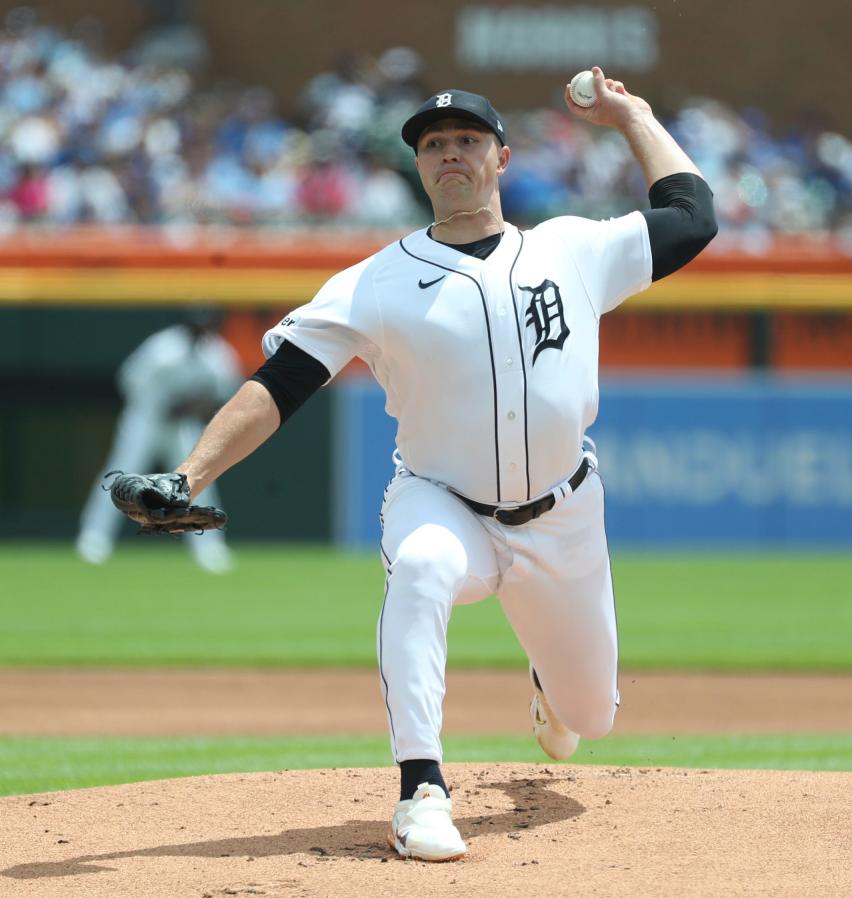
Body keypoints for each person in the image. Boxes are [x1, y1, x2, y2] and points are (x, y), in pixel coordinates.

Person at [139, 67, 716, 860]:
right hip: (442, 501)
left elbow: (692, 216)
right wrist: (187, 476)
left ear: (501, 158)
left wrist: (634, 117)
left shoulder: (572, 249)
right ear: (417, 166)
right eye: (434, 144)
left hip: (564, 513)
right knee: (420, 566)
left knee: (592, 718)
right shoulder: (374, 283)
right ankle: (421, 791)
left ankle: (553, 682)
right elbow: (279, 386)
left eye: (468, 140)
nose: (450, 153)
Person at [77, 309, 241, 573]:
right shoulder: (164, 346)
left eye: (207, 323)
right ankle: (94, 538)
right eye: (197, 323)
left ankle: (209, 548)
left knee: (195, 479)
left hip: (182, 424)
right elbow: (129, 378)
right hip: (146, 418)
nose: (201, 328)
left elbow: (224, 391)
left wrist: (193, 406)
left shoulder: (217, 355)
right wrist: (160, 403)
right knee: (119, 474)